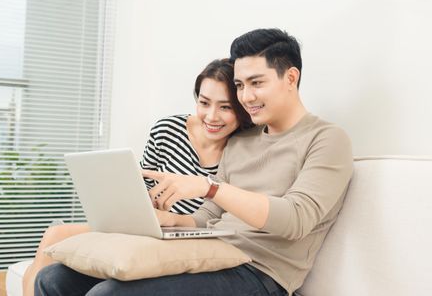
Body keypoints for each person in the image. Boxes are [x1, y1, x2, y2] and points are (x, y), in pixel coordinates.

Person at [34, 28, 353, 296]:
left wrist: (210, 187)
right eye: (241, 85)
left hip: (261, 274)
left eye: (257, 83)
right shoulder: (242, 141)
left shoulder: (327, 139)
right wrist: (166, 220)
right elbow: (209, 219)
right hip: (209, 253)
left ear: (291, 78)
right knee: (54, 280)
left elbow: (295, 221)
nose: (246, 96)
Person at [22, 59, 252, 296]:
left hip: (186, 236)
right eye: (204, 103)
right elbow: (140, 187)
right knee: (54, 237)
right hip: (145, 225)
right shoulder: (167, 130)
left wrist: (171, 217)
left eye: (225, 107)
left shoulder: (242, 151)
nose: (212, 116)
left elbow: (223, 216)